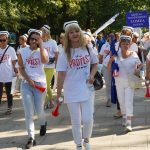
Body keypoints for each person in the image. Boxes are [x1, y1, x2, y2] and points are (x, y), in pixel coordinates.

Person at [56, 21, 98, 150]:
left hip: (87, 88)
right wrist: (58, 94)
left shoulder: (87, 47)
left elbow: (95, 63)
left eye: (76, 31)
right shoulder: (64, 53)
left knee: (88, 119)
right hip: (71, 90)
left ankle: (86, 139)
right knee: (75, 120)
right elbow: (61, 74)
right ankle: (78, 144)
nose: (74, 34)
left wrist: (91, 75)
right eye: (71, 32)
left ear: (80, 33)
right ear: (67, 36)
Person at [17, 30, 48, 149]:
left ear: (40, 40)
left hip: (40, 84)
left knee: (39, 110)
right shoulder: (22, 51)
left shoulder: (42, 50)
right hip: (26, 84)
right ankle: (31, 138)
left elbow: (45, 61)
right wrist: (29, 80)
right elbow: (21, 68)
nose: (34, 41)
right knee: (28, 112)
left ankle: (43, 123)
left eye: (37, 39)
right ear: (28, 40)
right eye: (32, 39)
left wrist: (41, 47)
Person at [108, 35, 143, 132]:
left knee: (128, 101)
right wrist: (111, 61)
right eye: (123, 44)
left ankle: (129, 123)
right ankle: (124, 116)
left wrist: (137, 69)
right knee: (122, 101)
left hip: (130, 82)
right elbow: (108, 69)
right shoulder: (116, 55)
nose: (125, 45)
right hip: (118, 82)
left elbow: (140, 65)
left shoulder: (134, 54)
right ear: (120, 44)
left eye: (127, 44)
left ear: (130, 44)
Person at [40, 25, 58, 109]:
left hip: (50, 66)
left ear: (46, 33)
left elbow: (56, 54)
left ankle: (46, 102)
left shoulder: (52, 42)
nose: (41, 33)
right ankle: (50, 100)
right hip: (41, 67)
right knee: (43, 85)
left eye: (42, 32)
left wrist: (57, 66)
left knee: (46, 84)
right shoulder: (39, 42)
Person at [0, 31, 17, 114]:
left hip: (8, 75)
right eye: (0, 40)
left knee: (9, 93)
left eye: (4, 40)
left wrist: (16, 71)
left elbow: (14, 62)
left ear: (7, 40)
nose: (2, 42)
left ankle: (9, 107)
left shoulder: (11, 49)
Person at [98, 34, 112, 107]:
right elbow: (100, 56)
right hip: (105, 67)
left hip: (115, 67)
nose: (111, 38)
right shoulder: (104, 46)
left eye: (113, 37)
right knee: (108, 83)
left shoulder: (117, 45)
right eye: (110, 37)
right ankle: (109, 99)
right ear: (108, 38)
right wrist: (100, 65)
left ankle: (117, 98)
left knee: (116, 83)